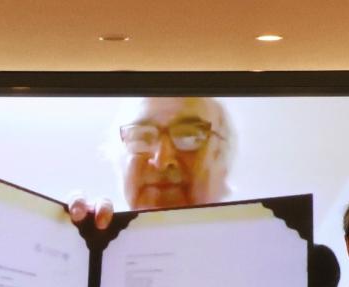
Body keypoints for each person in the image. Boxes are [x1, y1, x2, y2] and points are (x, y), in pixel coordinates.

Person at [68, 96, 233, 228]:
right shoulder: (103, 248)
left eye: (189, 136)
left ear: (222, 161)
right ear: (119, 165)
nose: (161, 161)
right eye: (142, 137)